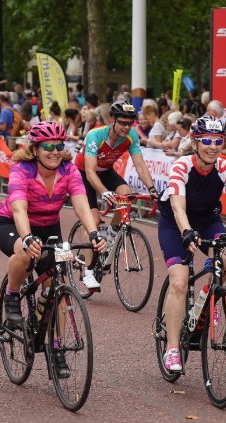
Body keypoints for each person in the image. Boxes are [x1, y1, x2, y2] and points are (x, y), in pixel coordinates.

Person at [0, 121, 106, 378]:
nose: (55, 151)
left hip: (48, 227)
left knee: (58, 286)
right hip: (13, 223)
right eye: (48, 147)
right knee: (24, 252)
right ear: (35, 148)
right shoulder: (22, 170)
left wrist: (93, 233)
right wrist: (27, 238)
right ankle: (13, 294)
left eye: (59, 146)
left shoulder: (69, 170)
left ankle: (57, 350)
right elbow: (19, 208)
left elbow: (81, 205)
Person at [157, 116, 226, 372]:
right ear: (195, 142)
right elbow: (177, 206)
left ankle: (208, 298)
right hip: (175, 223)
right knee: (180, 281)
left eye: (218, 141)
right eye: (206, 140)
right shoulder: (181, 166)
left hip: (207, 220)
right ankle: (172, 347)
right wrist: (186, 231)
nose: (213, 146)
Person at [74, 100, 158, 289]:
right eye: (122, 122)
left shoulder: (132, 136)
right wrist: (103, 192)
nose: (126, 127)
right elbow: (89, 171)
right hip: (83, 174)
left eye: (130, 123)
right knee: (93, 222)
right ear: (112, 120)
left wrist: (152, 189)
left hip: (106, 171)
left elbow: (140, 164)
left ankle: (112, 232)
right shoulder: (95, 135)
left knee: (125, 194)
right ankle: (88, 270)